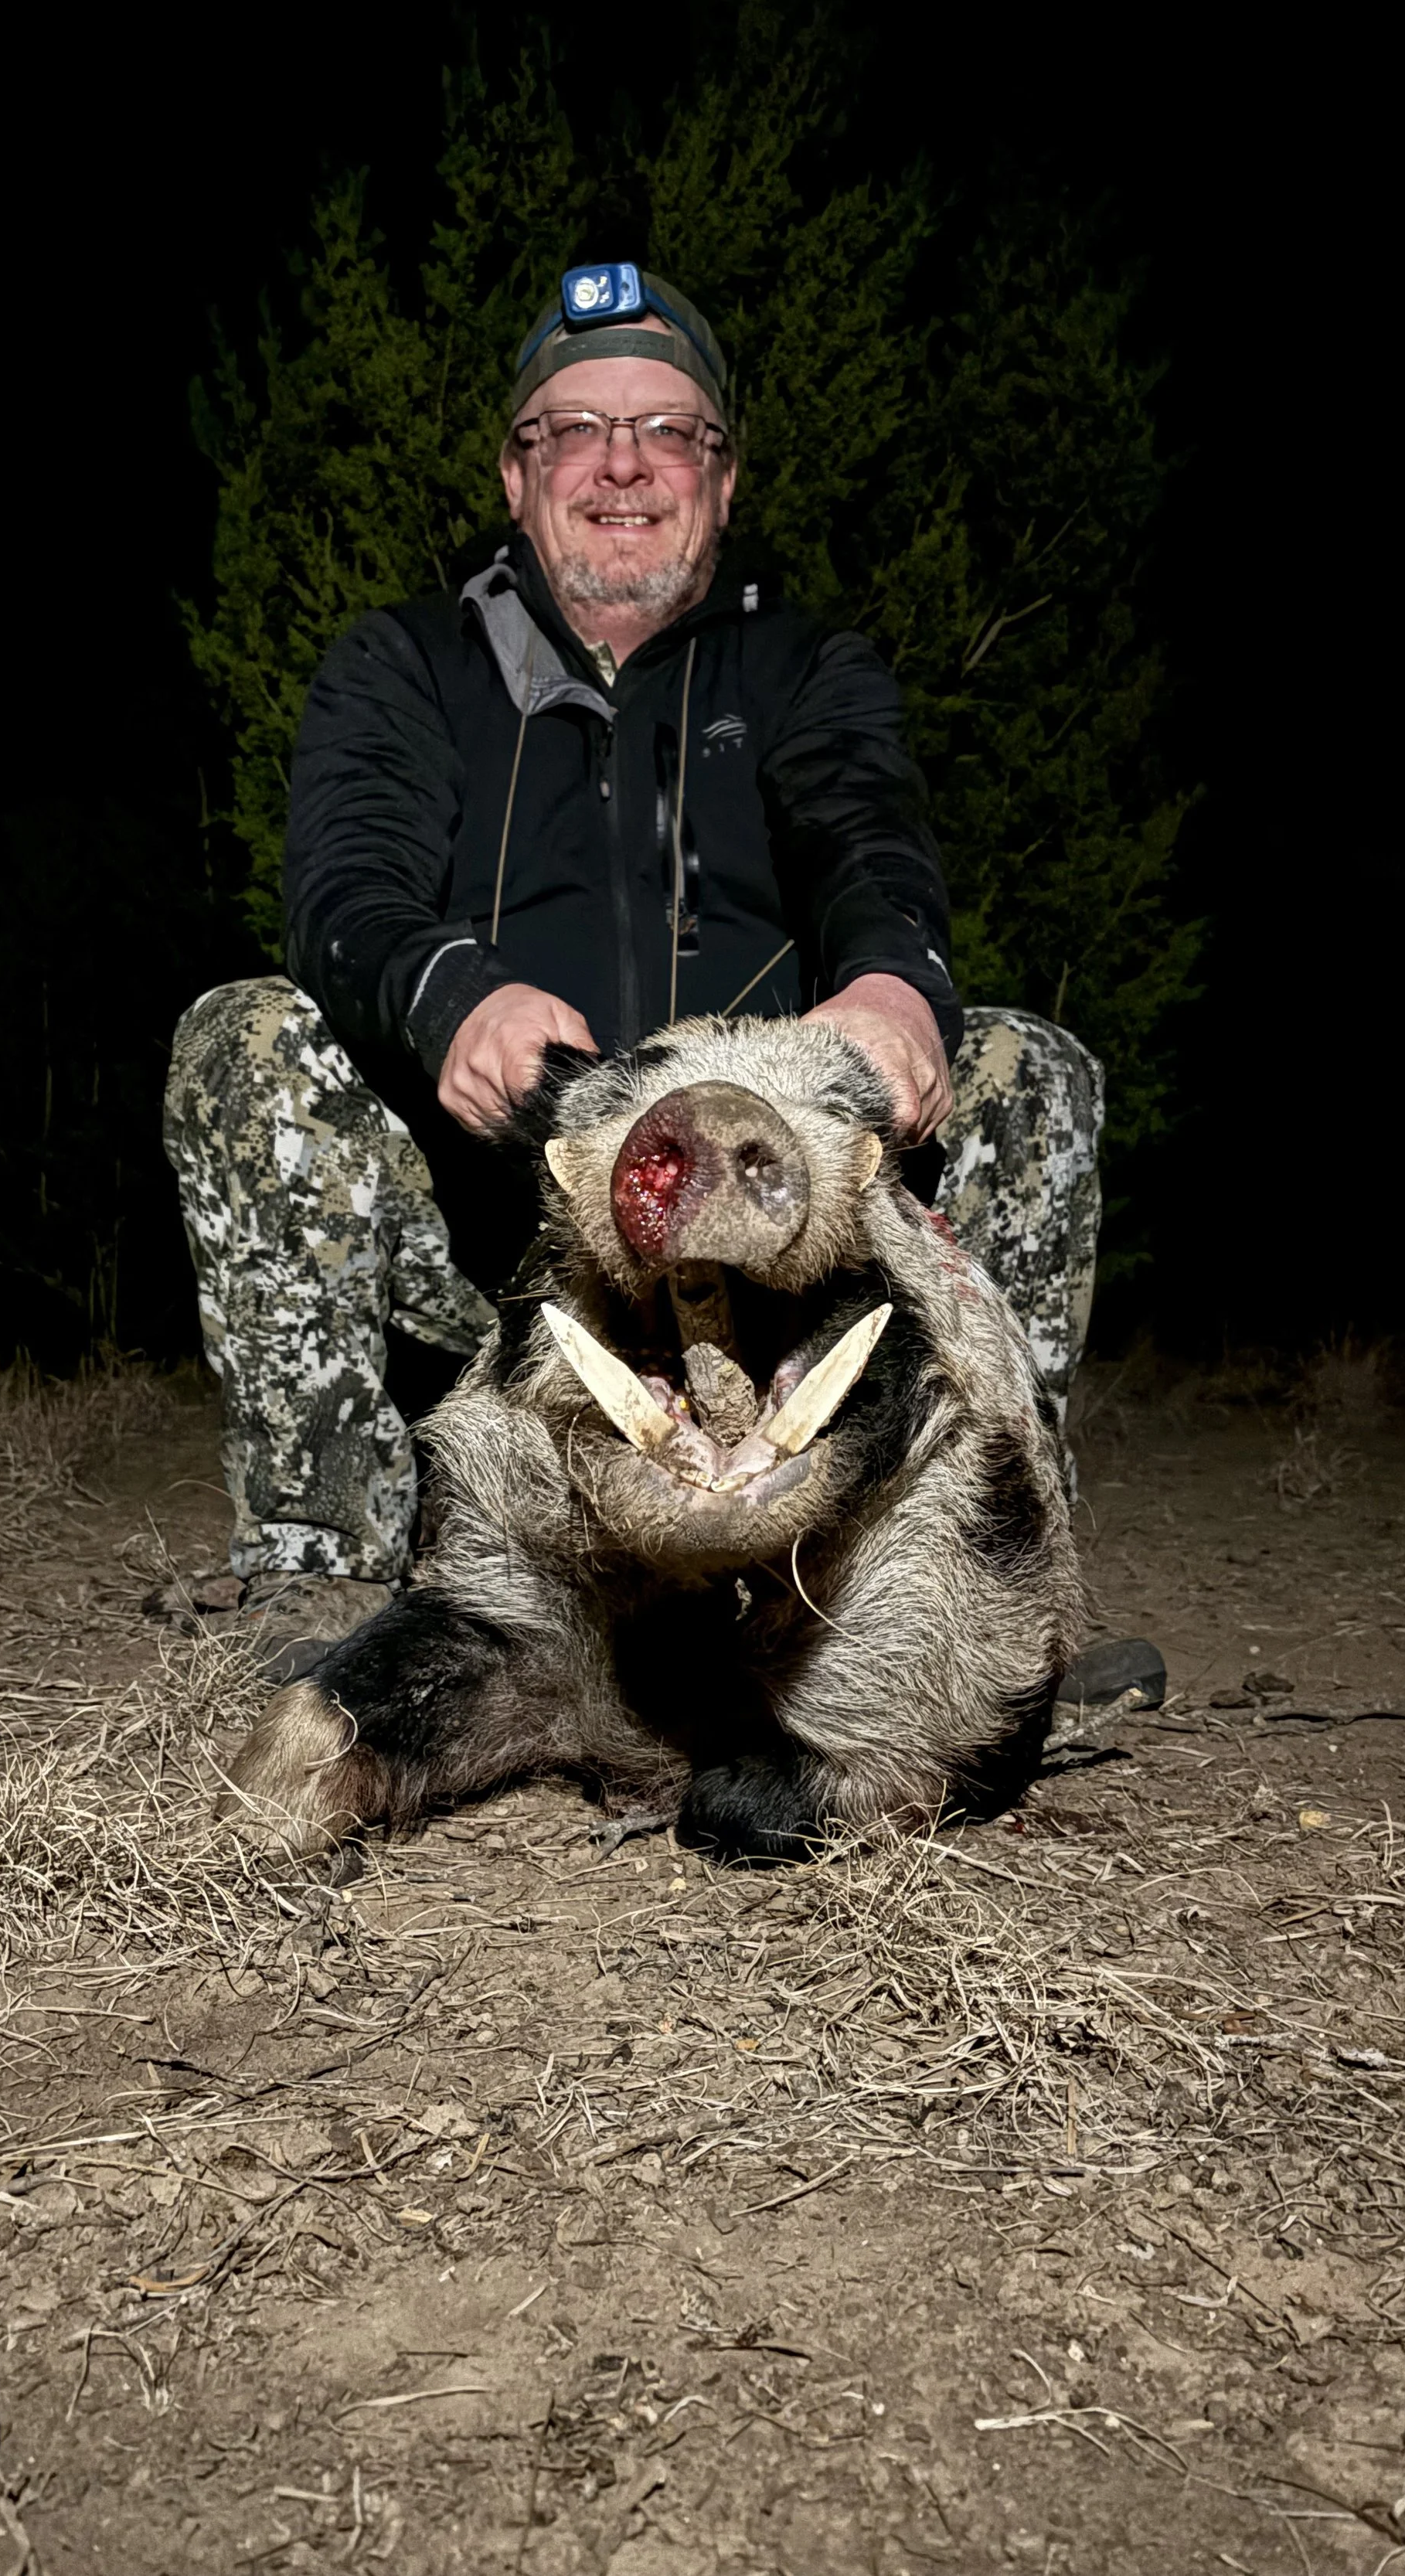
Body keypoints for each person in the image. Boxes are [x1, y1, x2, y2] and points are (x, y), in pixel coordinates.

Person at [164, 265, 1110, 1673]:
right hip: (508, 1241)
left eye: (669, 431)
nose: (622, 464)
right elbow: (346, 892)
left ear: (720, 482)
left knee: (1029, 1067)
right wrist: (454, 996)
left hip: (780, 1232)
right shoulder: (404, 665)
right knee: (247, 1037)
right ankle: (323, 1566)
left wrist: (895, 991)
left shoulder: (805, 669)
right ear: (516, 475)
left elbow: (870, 846)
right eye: (575, 429)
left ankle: (999, 1589)